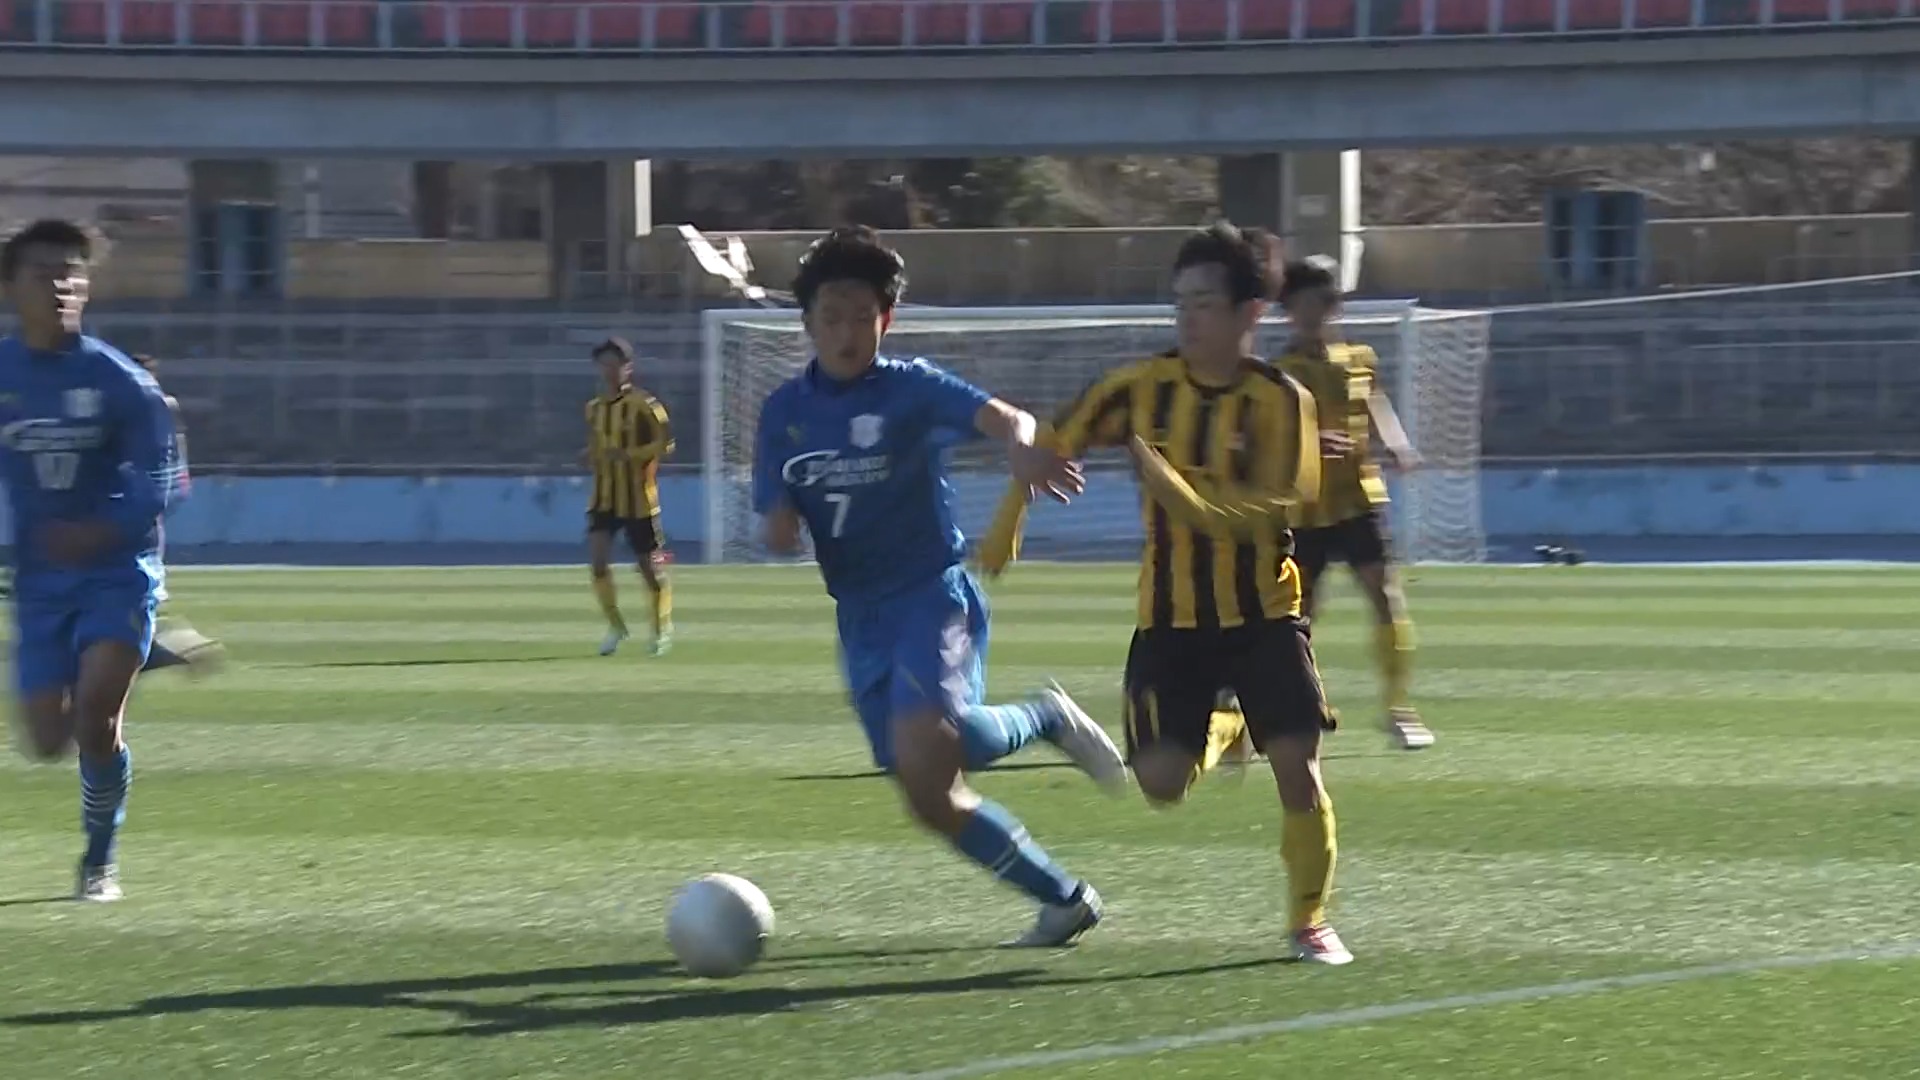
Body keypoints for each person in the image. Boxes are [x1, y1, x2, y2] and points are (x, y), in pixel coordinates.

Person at [978, 222, 1352, 965]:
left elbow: (1281, 508)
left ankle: (1309, 919)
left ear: (1251, 312)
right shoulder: (1140, 388)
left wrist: (1184, 499)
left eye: (1204, 303)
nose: (1187, 317)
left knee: (1298, 767)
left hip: (1267, 615)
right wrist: (1006, 523)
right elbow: (1046, 444)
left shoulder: (1283, 400)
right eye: (1179, 302)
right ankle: (1226, 726)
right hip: (1171, 622)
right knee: (1158, 784)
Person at [753, 226, 1125, 947]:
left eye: (863, 315)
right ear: (807, 323)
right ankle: (1063, 894)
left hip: (932, 595)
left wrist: (1020, 447)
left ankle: (1043, 727)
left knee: (932, 748)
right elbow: (775, 511)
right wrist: (779, 523)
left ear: (885, 320)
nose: (847, 331)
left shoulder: (911, 388)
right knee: (930, 792)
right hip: (860, 617)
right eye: (831, 315)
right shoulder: (782, 413)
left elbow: (1003, 416)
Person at [0, 219, 181, 902]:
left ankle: (99, 861)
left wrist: (99, 529)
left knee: (95, 722)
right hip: (41, 581)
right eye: (44, 271)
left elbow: (163, 484)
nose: (61, 284)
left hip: (117, 568)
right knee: (47, 741)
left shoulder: (121, 381)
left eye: (72, 272)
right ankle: (140, 651)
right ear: (9, 285)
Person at [1274, 257, 1433, 751]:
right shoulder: (1278, 374)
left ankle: (1398, 709)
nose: (1314, 314)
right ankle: (1301, 704)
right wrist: (1311, 441)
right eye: (1302, 306)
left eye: (1323, 303)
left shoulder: (1360, 358)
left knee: (1385, 595)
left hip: (1359, 500)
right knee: (1303, 616)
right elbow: (1268, 437)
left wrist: (1399, 444)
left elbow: (1375, 403)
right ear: (1288, 311)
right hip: (1305, 510)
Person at [128, 354, 224, 676]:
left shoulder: (146, 406)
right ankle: (158, 640)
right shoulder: (159, 404)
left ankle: (162, 643)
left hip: (136, 499)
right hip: (149, 497)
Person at [583, 337, 674, 657]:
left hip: (638, 499)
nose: (610, 370)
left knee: (649, 569)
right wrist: (591, 455)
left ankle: (662, 628)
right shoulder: (593, 409)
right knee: (597, 564)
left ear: (628, 368)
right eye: (604, 364)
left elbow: (666, 445)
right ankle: (615, 626)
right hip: (603, 498)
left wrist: (630, 455)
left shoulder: (645, 406)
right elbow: (598, 446)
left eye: (616, 364)